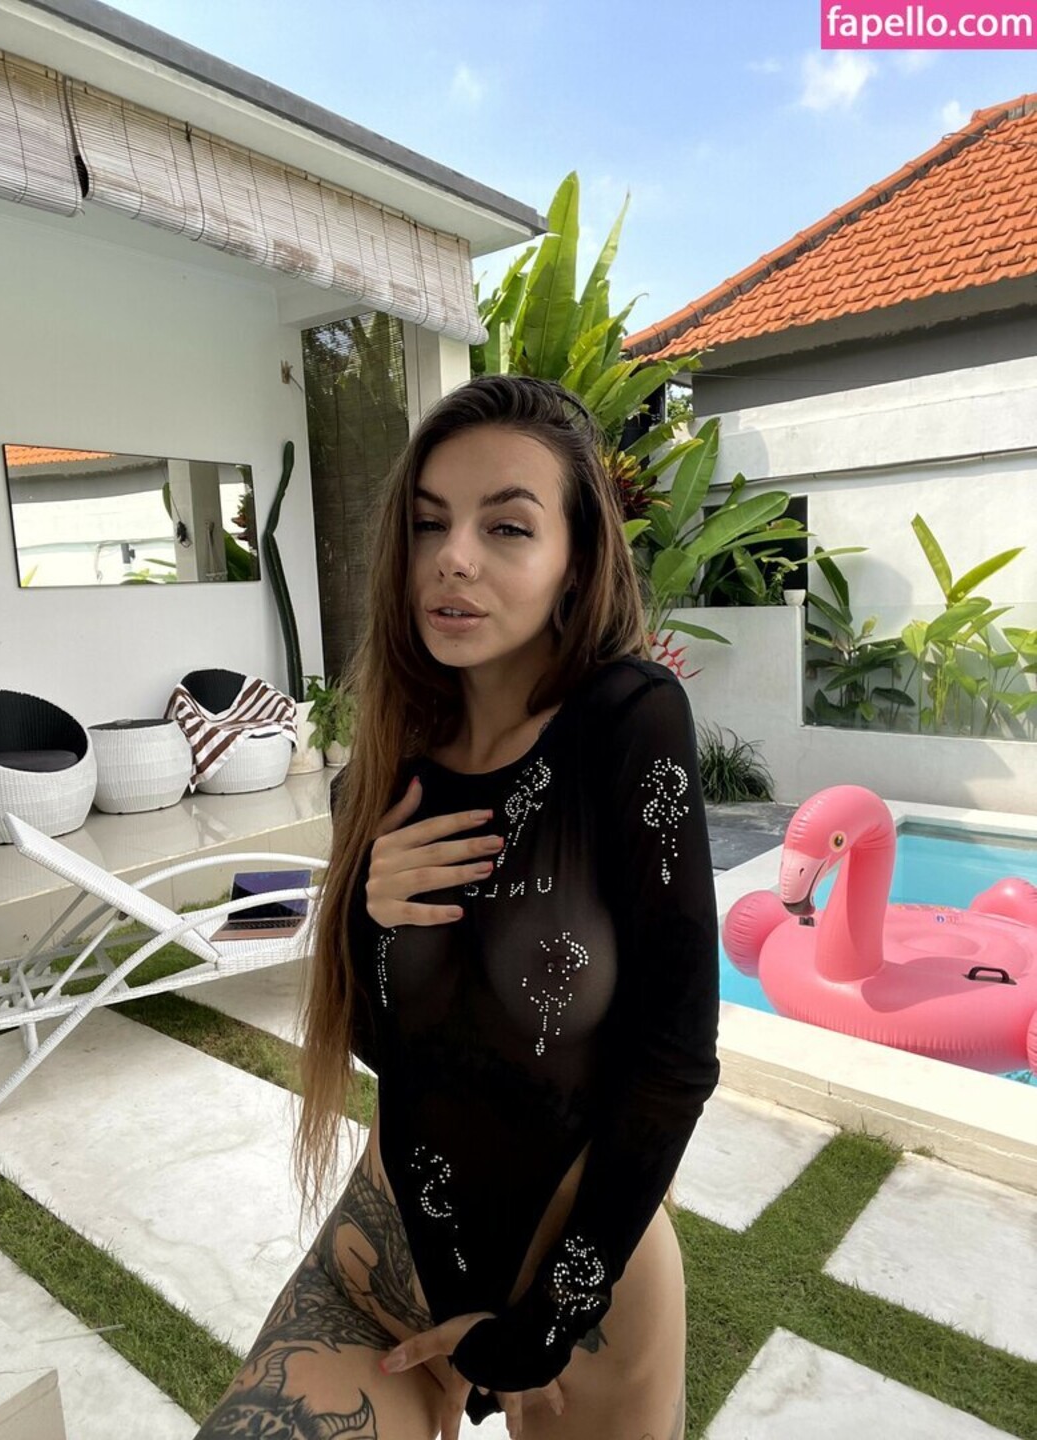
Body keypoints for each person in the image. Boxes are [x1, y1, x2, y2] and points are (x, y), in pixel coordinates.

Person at [194, 374, 720, 1440]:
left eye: (507, 527)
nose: (455, 557)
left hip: (579, 1293)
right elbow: (389, 1044)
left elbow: (675, 1055)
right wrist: (368, 917)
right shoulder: (382, 772)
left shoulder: (628, 723)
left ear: (577, 561)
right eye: (430, 525)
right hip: (386, 1255)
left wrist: (545, 1324)